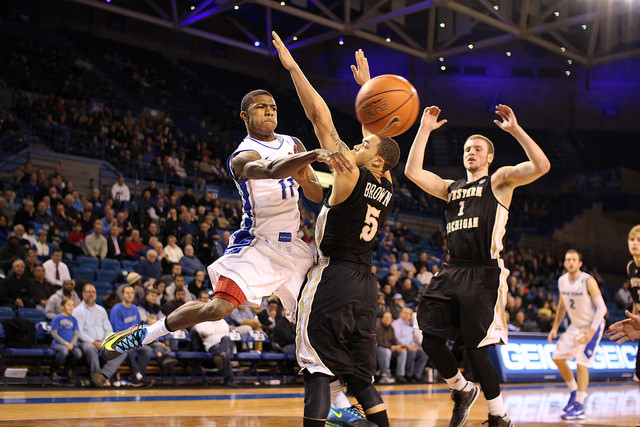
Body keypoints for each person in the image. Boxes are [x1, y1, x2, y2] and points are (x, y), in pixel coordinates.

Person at [101, 82, 352, 362]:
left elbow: (316, 194)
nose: (269, 112)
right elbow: (268, 170)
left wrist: (306, 177)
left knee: (312, 321)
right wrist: (314, 155)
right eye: (261, 107)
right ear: (244, 116)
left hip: (293, 247)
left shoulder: (293, 143)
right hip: (257, 245)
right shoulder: (242, 155)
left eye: (273, 108)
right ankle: (145, 334)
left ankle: (333, 400)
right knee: (217, 309)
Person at [274, 33, 398, 427]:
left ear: (375, 161)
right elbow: (387, 147)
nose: (357, 147)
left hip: (335, 277)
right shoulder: (388, 185)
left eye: (364, 145)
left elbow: (319, 118)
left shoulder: (350, 173)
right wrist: (368, 90)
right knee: (361, 379)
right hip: (365, 286)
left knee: (316, 368)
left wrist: (294, 69)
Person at [404, 104, 550, 427]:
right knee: (428, 336)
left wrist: (515, 131)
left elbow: (541, 165)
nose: (471, 152)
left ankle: (499, 415)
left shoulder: (499, 182)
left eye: (478, 149)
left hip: (484, 272)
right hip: (452, 269)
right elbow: (412, 173)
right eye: (467, 149)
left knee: (476, 349)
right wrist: (424, 130)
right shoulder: (450, 189)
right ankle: (462, 388)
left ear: (489, 157)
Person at [547, 249, 606, 420]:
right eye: (568, 260)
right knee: (557, 357)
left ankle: (580, 404)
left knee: (581, 362)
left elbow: (602, 308)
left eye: (574, 260)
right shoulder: (562, 281)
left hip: (592, 325)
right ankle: (574, 391)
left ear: (580, 263)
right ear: (565, 263)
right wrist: (555, 327)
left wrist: (591, 332)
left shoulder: (588, 280)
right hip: (575, 326)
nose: (571, 262)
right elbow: (561, 306)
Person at [606, 223, 640, 426]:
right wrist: (635, 322)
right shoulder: (631, 266)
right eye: (632, 239)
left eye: (639, 239)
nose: (635, 243)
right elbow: (636, 300)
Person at [72, 283, 128, 387]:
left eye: (93, 292)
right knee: (90, 348)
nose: (91, 294)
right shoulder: (77, 311)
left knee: (123, 349)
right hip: (86, 342)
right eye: (88, 292)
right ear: (83, 294)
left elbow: (108, 329)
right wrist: (94, 342)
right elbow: (79, 332)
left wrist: (105, 341)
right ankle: (95, 374)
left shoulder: (101, 310)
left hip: (103, 341)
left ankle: (103, 376)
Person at [109, 285, 154, 387]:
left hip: (135, 340)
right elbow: (117, 331)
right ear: (122, 295)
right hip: (121, 340)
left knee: (147, 350)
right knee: (129, 349)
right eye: (127, 293)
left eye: (132, 293)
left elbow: (138, 326)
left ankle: (136, 377)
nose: (130, 295)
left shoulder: (134, 308)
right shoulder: (116, 310)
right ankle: (138, 376)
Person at [49, 297, 83, 384]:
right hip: (58, 344)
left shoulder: (74, 319)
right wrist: (64, 343)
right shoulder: (57, 318)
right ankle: (54, 369)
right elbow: (54, 333)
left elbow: (76, 334)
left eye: (72, 305)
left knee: (78, 353)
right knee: (64, 351)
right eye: (68, 305)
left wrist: (72, 344)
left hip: (70, 344)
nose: (71, 307)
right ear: (62, 307)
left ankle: (68, 369)